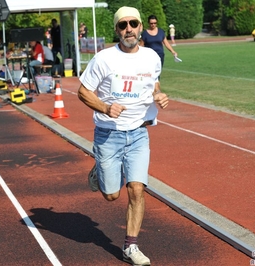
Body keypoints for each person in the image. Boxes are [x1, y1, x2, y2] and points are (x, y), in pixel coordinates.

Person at [78, 6, 169, 266]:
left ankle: (130, 247)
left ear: (141, 27)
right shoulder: (104, 58)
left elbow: (154, 82)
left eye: (133, 23)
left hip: (139, 132)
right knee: (111, 195)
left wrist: (158, 95)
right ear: (117, 30)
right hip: (109, 134)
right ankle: (100, 170)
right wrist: (106, 108)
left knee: (137, 190)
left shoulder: (151, 56)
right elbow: (83, 92)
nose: (128, 29)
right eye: (123, 25)